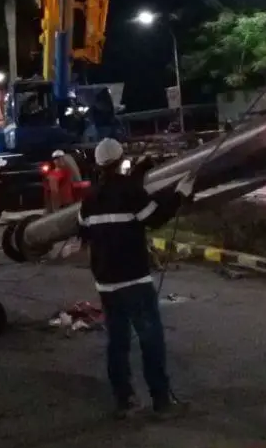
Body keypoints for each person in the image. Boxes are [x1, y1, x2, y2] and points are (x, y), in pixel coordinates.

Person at [78, 137, 195, 420]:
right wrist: (180, 194)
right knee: (150, 339)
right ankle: (161, 400)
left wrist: (141, 171)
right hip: (134, 279)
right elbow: (154, 217)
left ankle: (125, 400)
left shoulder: (89, 200)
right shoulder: (131, 192)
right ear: (121, 160)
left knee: (117, 343)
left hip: (106, 284)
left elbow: (84, 233)